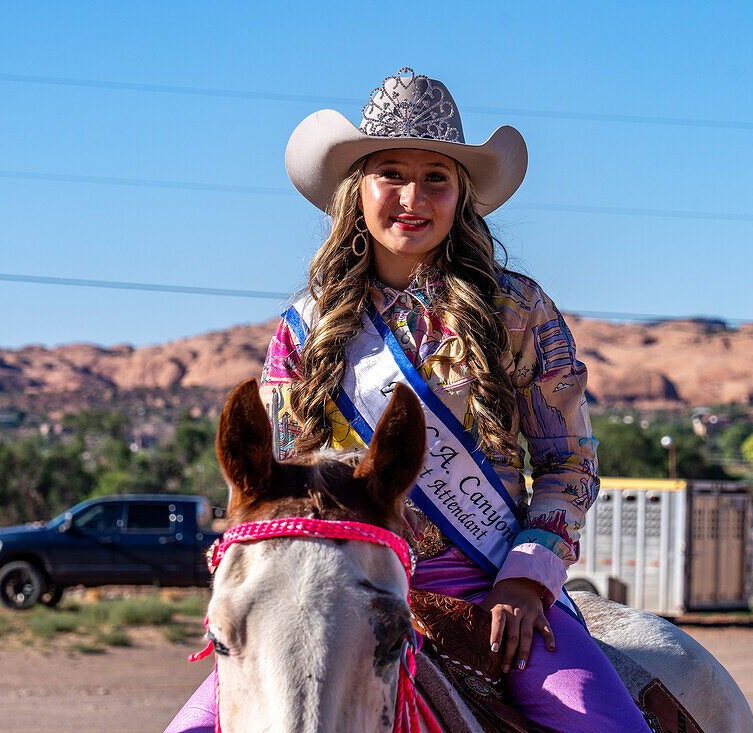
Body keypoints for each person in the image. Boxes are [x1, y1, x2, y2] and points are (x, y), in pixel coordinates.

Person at [166, 68, 648, 733]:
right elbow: (269, 486)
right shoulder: (304, 327)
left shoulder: (520, 311)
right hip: (333, 588)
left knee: (609, 727)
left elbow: (569, 463)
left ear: (461, 195)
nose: (412, 197)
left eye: (436, 178)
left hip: (490, 589)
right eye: (390, 173)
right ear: (357, 189)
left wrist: (528, 575)